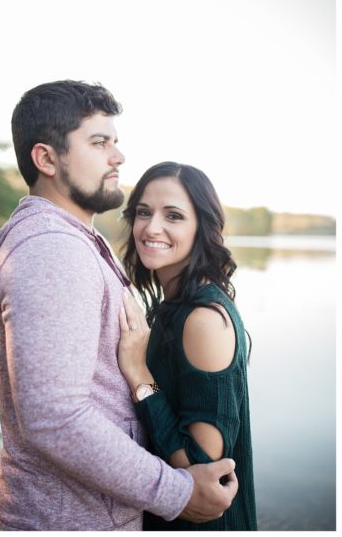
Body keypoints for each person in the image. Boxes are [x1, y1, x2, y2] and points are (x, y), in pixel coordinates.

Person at [0, 80, 239, 531]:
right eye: (99, 143)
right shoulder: (52, 250)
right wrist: (175, 492)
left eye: (115, 143)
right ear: (46, 158)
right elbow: (55, 417)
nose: (118, 157)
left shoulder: (72, 240)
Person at [117, 162, 257, 530]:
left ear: (202, 229)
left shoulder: (204, 320)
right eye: (143, 212)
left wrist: (139, 376)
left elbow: (200, 464)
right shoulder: (172, 305)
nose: (151, 227)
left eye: (174, 216)